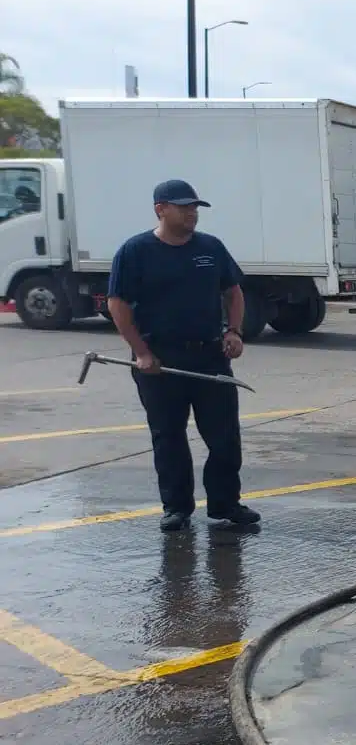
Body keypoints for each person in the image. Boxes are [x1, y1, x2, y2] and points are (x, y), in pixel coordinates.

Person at [106, 179, 262, 533]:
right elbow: (118, 304)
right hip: (160, 361)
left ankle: (225, 505)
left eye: (195, 207)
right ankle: (176, 508)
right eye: (183, 206)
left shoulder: (210, 248)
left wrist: (234, 331)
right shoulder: (135, 251)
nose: (192, 213)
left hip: (209, 356)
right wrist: (142, 353)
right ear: (160, 209)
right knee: (169, 436)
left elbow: (233, 291)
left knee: (224, 437)